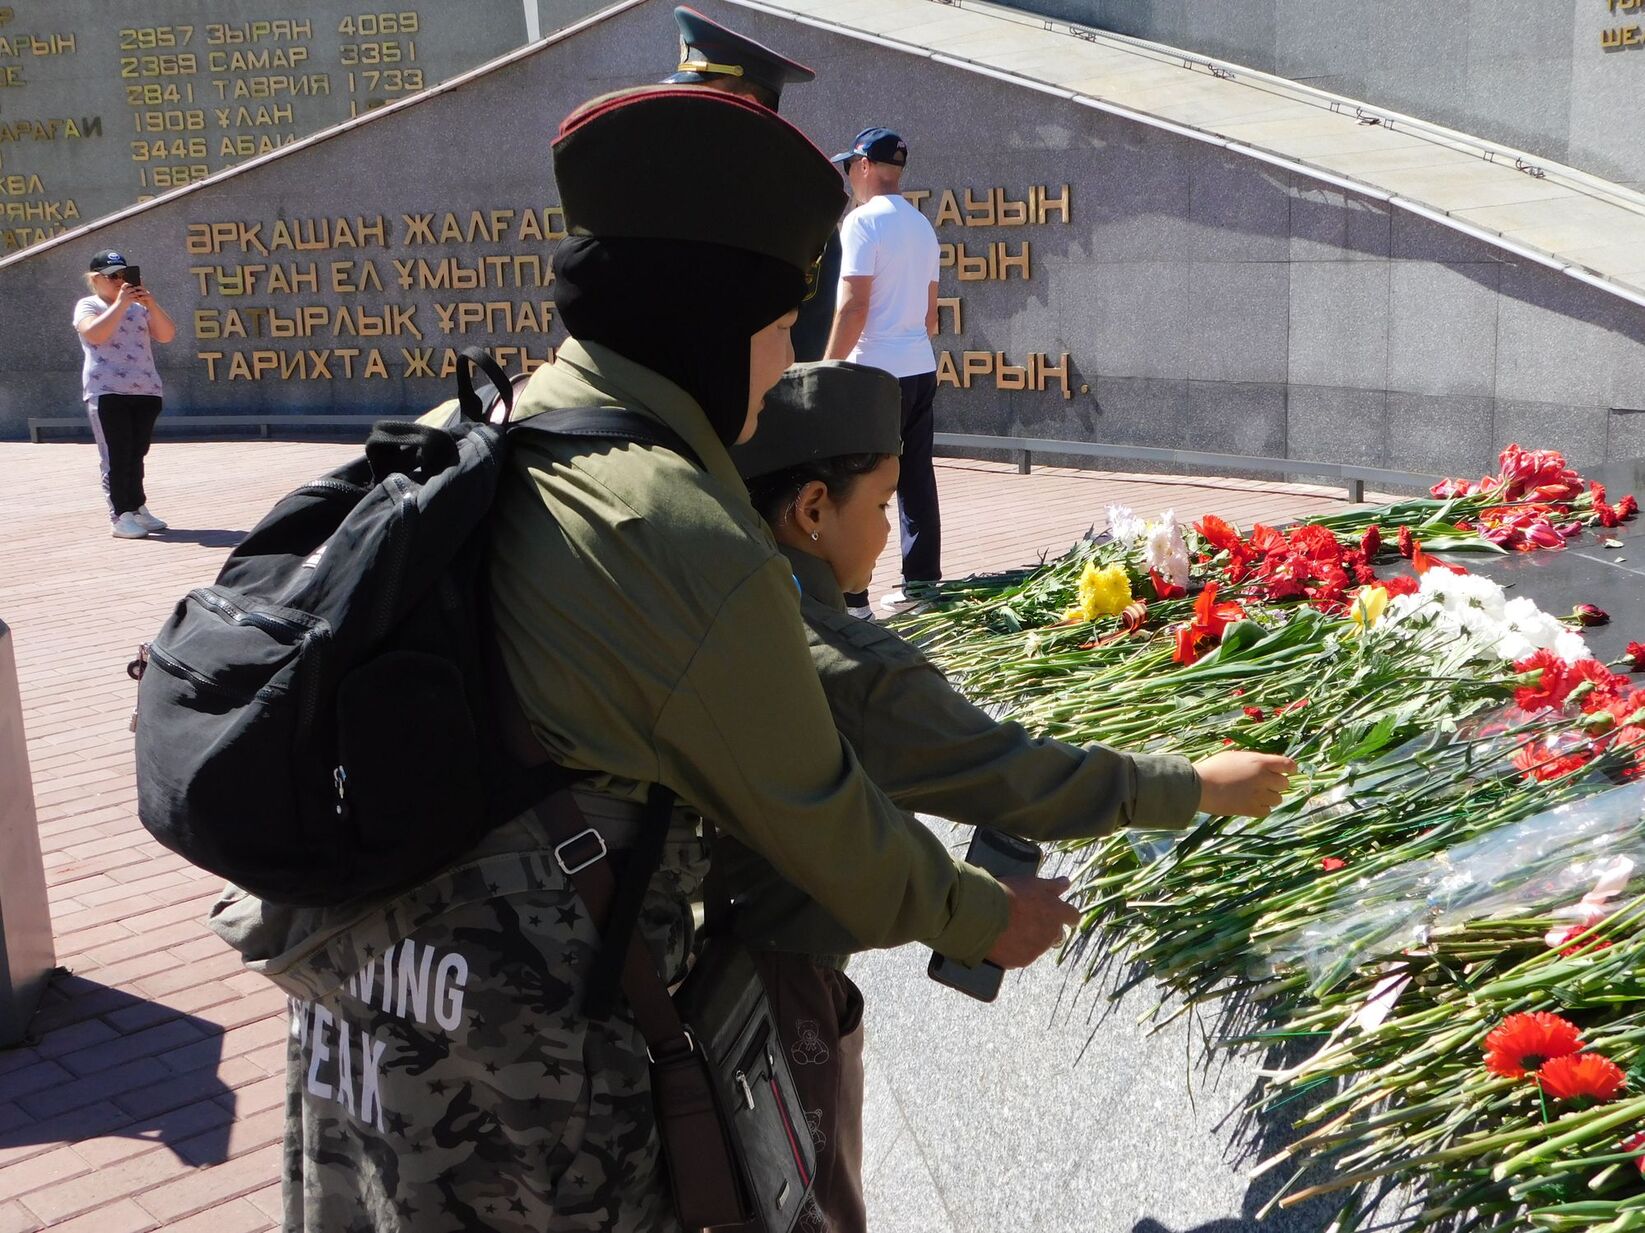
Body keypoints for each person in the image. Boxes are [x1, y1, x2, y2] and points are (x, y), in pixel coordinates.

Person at [210, 86, 1079, 1233]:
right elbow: (811, 810)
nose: (779, 377)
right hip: (525, 1061)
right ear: (710, 326)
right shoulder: (676, 529)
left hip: (355, 1000)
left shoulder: (480, 420)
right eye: (778, 335)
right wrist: (979, 915)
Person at [729, 360, 1300, 1233]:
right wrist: (1193, 785)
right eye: (880, 506)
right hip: (774, 988)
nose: (888, 531)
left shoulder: (729, 600)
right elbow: (1012, 773)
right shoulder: (845, 664)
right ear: (811, 510)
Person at [659, 5, 840, 362]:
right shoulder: (691, 192)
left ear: (744, 106)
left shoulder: (792, 208)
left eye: (699, 98)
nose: (682, 111)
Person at [823, 128, 942, 618]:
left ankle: (855, 602)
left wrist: (828, 366)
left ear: (866, 166)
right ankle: (923, 588)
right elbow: (932, 317)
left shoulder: (861, 224)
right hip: (919, 366)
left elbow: (853, 307)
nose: (849, 176)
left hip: (871, 374)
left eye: (850, 166)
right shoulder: (922, 226)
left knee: (859, 486)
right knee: (916, 479)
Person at [73, 250, 176, 539]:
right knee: (116, 455)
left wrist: (151, 303)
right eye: (113, 276)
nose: (120, 281)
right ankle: (119, 515)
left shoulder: (139, 307)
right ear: (96, 279)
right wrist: (119, 304)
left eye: (124, 275)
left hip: (145, 389)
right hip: (106, 391)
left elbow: (166, 334)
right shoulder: (88, 305)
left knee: (136, 453)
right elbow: (95, 335)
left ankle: (137, 506)